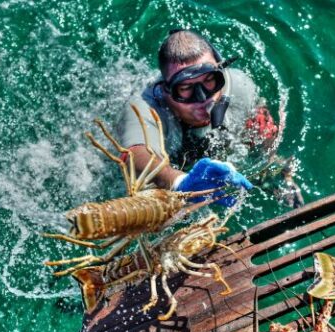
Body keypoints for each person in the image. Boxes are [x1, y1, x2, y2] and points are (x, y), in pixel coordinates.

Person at [117, 29, 280, 206]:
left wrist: (277, 172)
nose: (203, 98)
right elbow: (134, 156)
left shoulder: (240, 87)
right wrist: (180, 182)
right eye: (186, 89)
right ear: (166, 90)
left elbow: (262, 130)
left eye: (210, 80)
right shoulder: (143, 108)